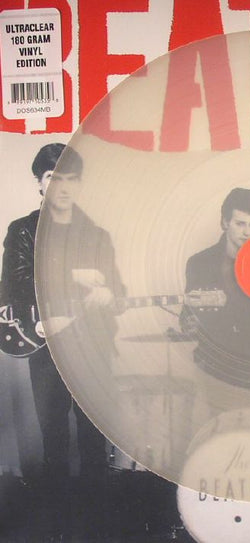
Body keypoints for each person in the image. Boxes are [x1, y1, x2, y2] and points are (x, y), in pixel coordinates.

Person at [1, 143, 125, 538]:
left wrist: (108, 293)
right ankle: (57, 526)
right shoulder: (23, 231)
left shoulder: (97, 234)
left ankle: (97, 525)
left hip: (92, 347)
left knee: (93, 437)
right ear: (39, 182)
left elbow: (119, 290)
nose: (63, 186)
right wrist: (73, 276)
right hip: (48, 347)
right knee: (53, 435)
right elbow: (15, 285)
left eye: (71, 178)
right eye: (53, 177)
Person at [180, 187, 250, 390]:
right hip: (216, 364)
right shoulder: (200, 263)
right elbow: (187, 315)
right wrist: (190, 324)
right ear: (224, 222)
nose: (247, 232)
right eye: (240, 224)